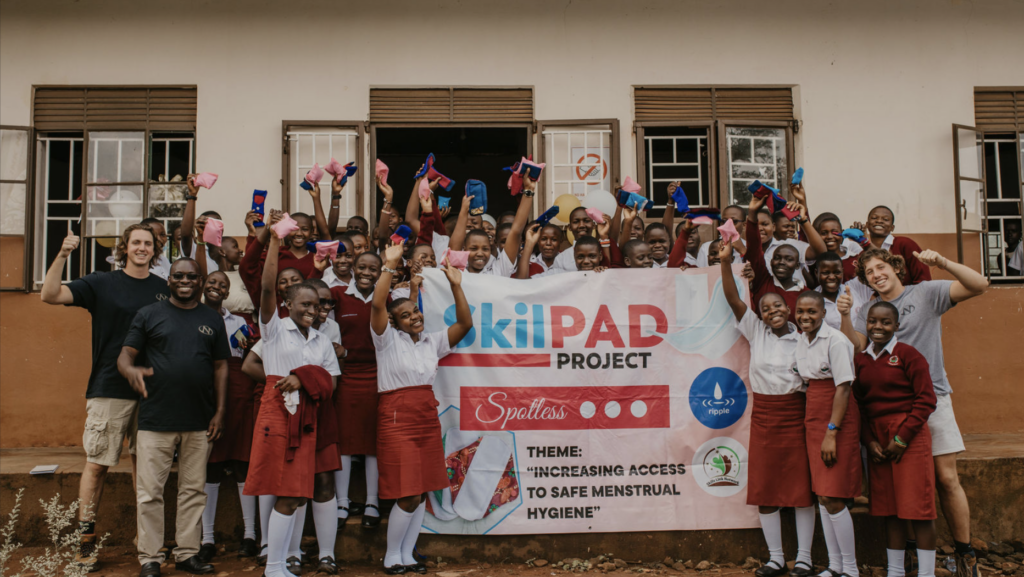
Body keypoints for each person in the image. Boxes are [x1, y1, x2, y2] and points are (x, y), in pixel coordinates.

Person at [838, 247, 989, 577]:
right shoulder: (868, 311)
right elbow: (857, 348)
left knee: (947, 479)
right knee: (899, 483)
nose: (877, 274)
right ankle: (907, 555)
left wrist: (942, 263)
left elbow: (980, 285)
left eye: (881, 266)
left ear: (894, 267)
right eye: (869, 272)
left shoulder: (927, 293)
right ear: (866, 280)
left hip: (931, 399)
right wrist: (847, 316)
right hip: (889, 411)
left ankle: (966, 555)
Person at [40, 225, 170, 571]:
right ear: (124, 248)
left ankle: (147, 541)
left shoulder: (163, 289)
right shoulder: (101, 283)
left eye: (148, 244)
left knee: (145, 469)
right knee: (97, 465)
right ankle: (85, 540)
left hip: (151, 392)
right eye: (135, 243)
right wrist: (63, 253)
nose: (141, 248)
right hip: (109, 388)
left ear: (155, 250)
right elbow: (49, 295)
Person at [117, 258, 230, 577]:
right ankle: (150, 558)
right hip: (155, 420)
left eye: (191, 276)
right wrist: (128, 369)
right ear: (168, 281)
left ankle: (186, 553)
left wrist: (220, 412)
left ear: (200, 281)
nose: (184, 280)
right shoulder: (149, 314)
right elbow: (126, 354)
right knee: (150, 492)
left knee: (193, 491)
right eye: (178, 276)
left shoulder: (212, 318)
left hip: (199, 421)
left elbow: (221, 366)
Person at [244, 212, 341, 577]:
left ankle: (280, 563)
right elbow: (267, 288)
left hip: (311, 416)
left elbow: (329, 385)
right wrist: (273, 241)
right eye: (304, 305)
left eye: (316, 306)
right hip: (277, 413)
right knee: (285, 490)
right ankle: (274, 565)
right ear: (288, 305)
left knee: (299, 492)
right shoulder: (273, 331)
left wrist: (302, 377)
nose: (311, 311)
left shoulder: (322, 340)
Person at [371, 242, 473, 574]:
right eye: (405, 315)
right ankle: (391, 557)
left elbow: (465, 325)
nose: (413, 317)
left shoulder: (432, 341)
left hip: (426, 417)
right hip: (397, 416)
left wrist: (457, 286)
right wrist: (389, 265)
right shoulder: (385, 341)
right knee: (407, 492)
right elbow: (377, 306)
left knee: (422, 491)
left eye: (415, 312)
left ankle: (408, 556)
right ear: (395, 322)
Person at [719, 243, 816, 577]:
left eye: (778, 306)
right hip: (764, 417)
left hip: (796, 415)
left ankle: (803, 557)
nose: (773, 310)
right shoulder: (755, 330)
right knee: (766, 488)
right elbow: (734, 299)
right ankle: (776, 558)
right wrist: (724, 263)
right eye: (766, 307)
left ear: (788, 310)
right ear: (759, 313)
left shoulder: (805, 339)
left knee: (802, 490)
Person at [853, 302, 938, 577]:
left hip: (909, 436)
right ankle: (895, 572)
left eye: (886, 322)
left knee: (918, 507)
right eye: (873, 321)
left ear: (896, 326)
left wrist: (901, 439)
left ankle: (926, 573)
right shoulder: (861, 360)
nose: (878, 327)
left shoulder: (908, 355)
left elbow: (926, 400)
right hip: (877, 439)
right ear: (866, 323)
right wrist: (869, 441)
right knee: (889, 509)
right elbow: (859, 406)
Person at [794, 291, 860, 577]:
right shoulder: (801, 339)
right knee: (822, 494)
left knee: (833, 495)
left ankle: (851, 569)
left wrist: (832, 431)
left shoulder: (836, 340)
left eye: (811, 312)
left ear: (823, 313)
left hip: (837, 414)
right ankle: (835, 566)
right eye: (800, 311)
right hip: (814, 412)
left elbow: (843, 387)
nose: (805, 317)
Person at [197, 271, 259, 562]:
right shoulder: (192, 315)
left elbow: (249, 354)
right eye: (212, 282)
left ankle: (250, 535)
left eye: (223, 284)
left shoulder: (240, 321)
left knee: (242, 462)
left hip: (240, 392)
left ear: (227, 291)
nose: (216, 287)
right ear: (202, 285)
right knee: (210, 465)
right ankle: (206, 538)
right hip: (206, 391)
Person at [329, 251, 385, 529]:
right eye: (361, 267)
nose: (366, 272)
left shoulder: (386, 295)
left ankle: (372, 502)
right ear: (352, 267)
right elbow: (322, 326)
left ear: (380, 271)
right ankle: (342, 502)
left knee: (373, 440)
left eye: (373, 269)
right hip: (347, 375)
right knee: (345, 440)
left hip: (378, 374)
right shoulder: (337, 294)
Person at [851, 206, 930, 285]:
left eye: (885, 219)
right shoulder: (863, 253)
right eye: (874, 218)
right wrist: (863, 241)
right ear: (867, 225)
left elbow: (923, 279)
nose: (879, 221)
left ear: (892, 228)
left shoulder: (905, 244)